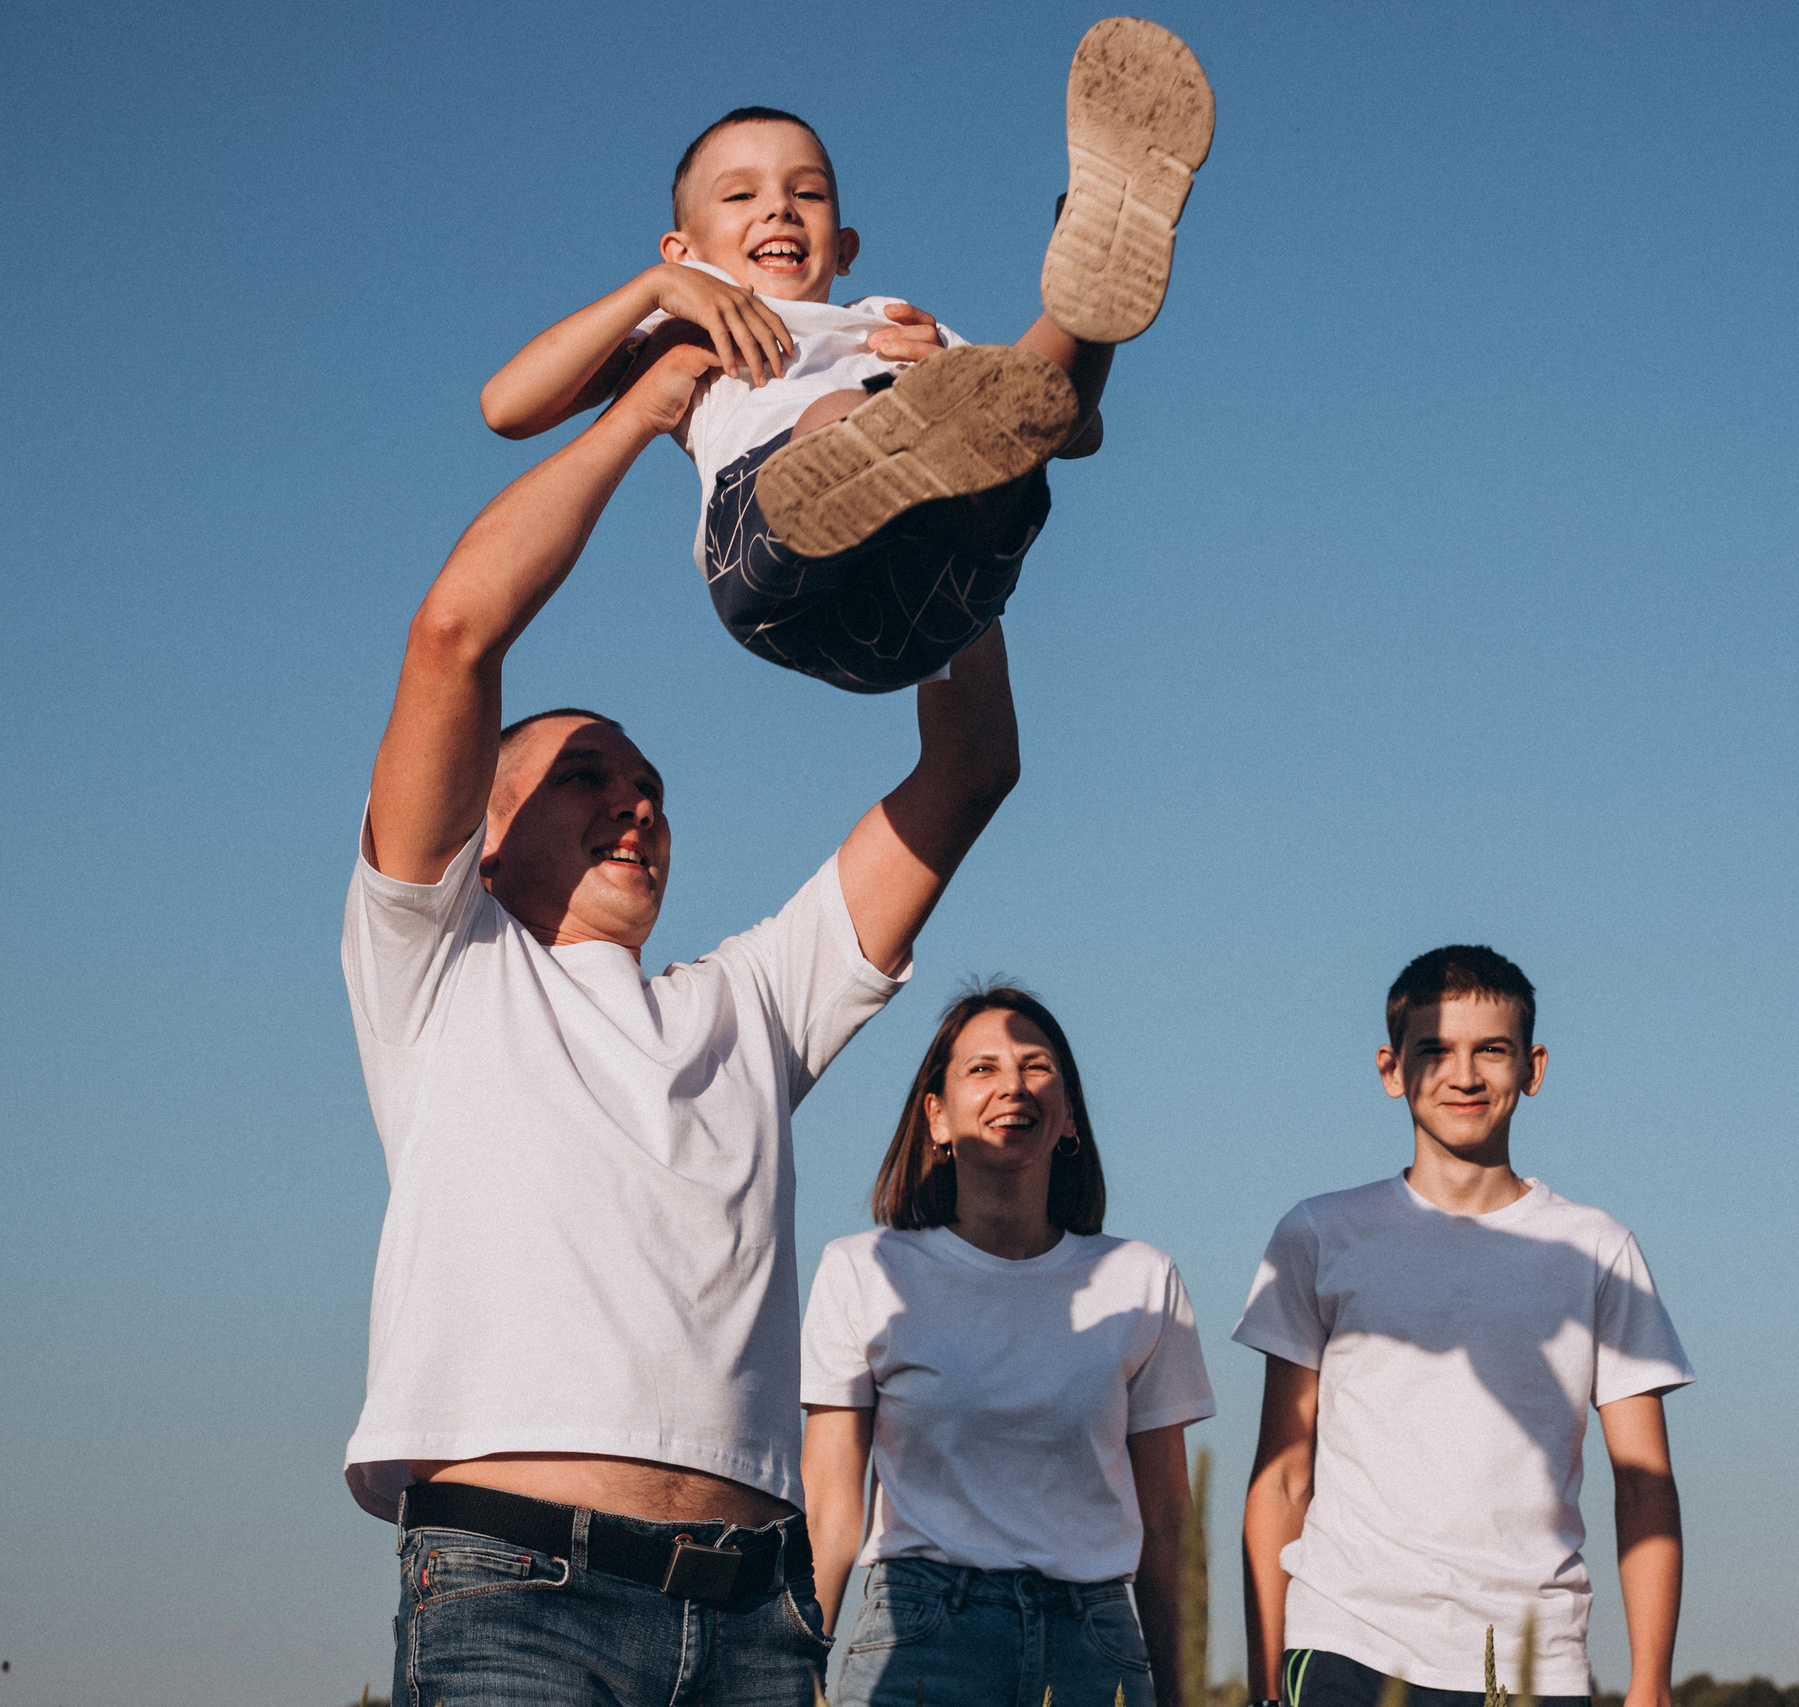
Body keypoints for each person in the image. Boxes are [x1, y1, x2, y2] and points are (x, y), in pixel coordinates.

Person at [342, 302, 1025, 1701]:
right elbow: (457, 630)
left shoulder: (750, 1003)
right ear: (485, 822)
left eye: (648, 780)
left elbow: (967, 773)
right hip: (513, 1596)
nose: (633, 797)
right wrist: (654, 405)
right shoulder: (440, 965)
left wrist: (953, 486)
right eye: (585, 772)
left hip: (756, 1619)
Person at [478, 16, 1215, 694]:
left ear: (847, 248)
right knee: (846, 410)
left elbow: (1076, 431)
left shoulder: (883, 321)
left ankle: (1091, 282)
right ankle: (895, 439)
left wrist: (953, 376)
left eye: (809, 193)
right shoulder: (681, 334)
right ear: (685, 252)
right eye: (740, 196)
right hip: (779, 558)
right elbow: (507, 405)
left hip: (932, 595)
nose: (779, 208)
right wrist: (654, 291)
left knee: (1012, 411)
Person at [1235, 947, 1695, 1707]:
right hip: (1348, 1644)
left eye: (1492, 1049)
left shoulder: (1597, 1248)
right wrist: (1264, 1680)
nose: (1466, 1074)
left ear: (1533, 1066)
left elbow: (1645, 1484)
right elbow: (1283, 1472)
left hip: (1535, 1657)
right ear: (1391, 1069)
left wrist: (1651, 1678)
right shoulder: (1319, 1233)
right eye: (1435, 1051)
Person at [801, 985, 1215, 1707]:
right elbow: (832, 1507)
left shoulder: (1142, 1277)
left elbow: (1170, 1519)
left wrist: (1185, 1693)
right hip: (920, 1634)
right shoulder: (863, 1270)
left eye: (1036, 1065)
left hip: (1095, 1645)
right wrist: (800, 1666)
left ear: (1070, 1118)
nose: (1013, 1086)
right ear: (936, 1114)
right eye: (982, 1068)